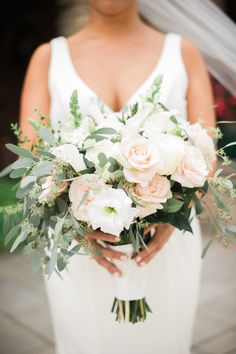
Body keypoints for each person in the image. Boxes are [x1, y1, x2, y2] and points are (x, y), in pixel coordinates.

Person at [19, 1, 219, 353]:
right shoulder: (48, 59)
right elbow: (30, 163)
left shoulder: (182, 53)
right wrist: (77, 225)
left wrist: (172, 211)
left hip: (164, 243)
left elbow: (207, 156)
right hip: (78, 249)